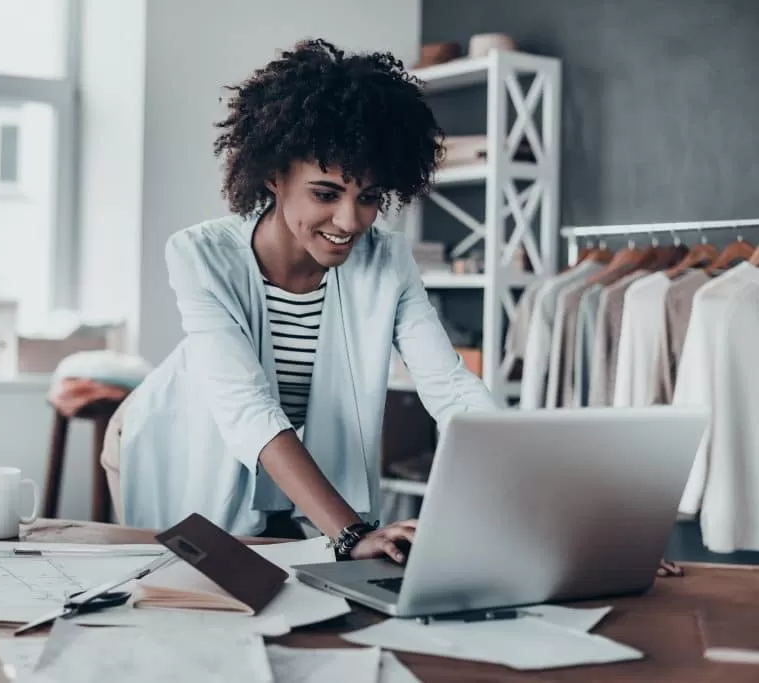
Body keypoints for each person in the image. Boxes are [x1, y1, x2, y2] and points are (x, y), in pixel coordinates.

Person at [100, 39, 497, 562]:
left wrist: (513, 483)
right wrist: (351, 533)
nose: (350, 222)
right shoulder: (200, 256)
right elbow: (247, 409)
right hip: (173, 438)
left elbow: (449, 387)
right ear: (274, 176)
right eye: (326, 194)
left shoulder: (387, 261)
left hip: (283, 453)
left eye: (370, 197)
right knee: (191, 601)